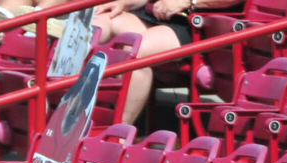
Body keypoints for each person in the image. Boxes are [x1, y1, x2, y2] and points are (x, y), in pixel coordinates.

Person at [91, 0, 243, 125]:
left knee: (135, 52)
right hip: (156, 14)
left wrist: (189, 2)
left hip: (198, 25)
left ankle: (115, 134)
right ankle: (77, 120)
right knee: (99, 22)